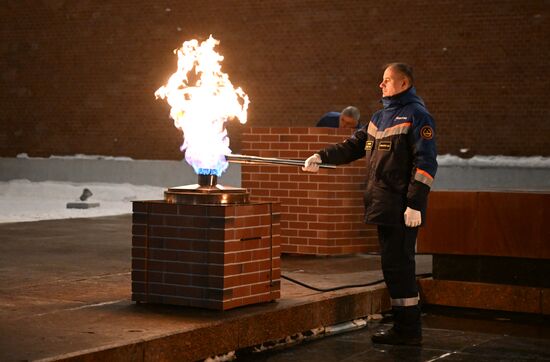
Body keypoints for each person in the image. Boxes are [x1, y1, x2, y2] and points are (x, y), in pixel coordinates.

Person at [303, 63, 437, 345]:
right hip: (383, 205)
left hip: (402, 208)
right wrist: (321, 156)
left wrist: (414, 203)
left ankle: (408, 330)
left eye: (387, 80)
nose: (381, 84)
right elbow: (353, 146)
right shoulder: (379, 117)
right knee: (393, 267)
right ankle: (404, 327)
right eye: (382, 80)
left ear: (404, 84)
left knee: (400, 267)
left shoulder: (417, 116)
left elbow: (425, 163)